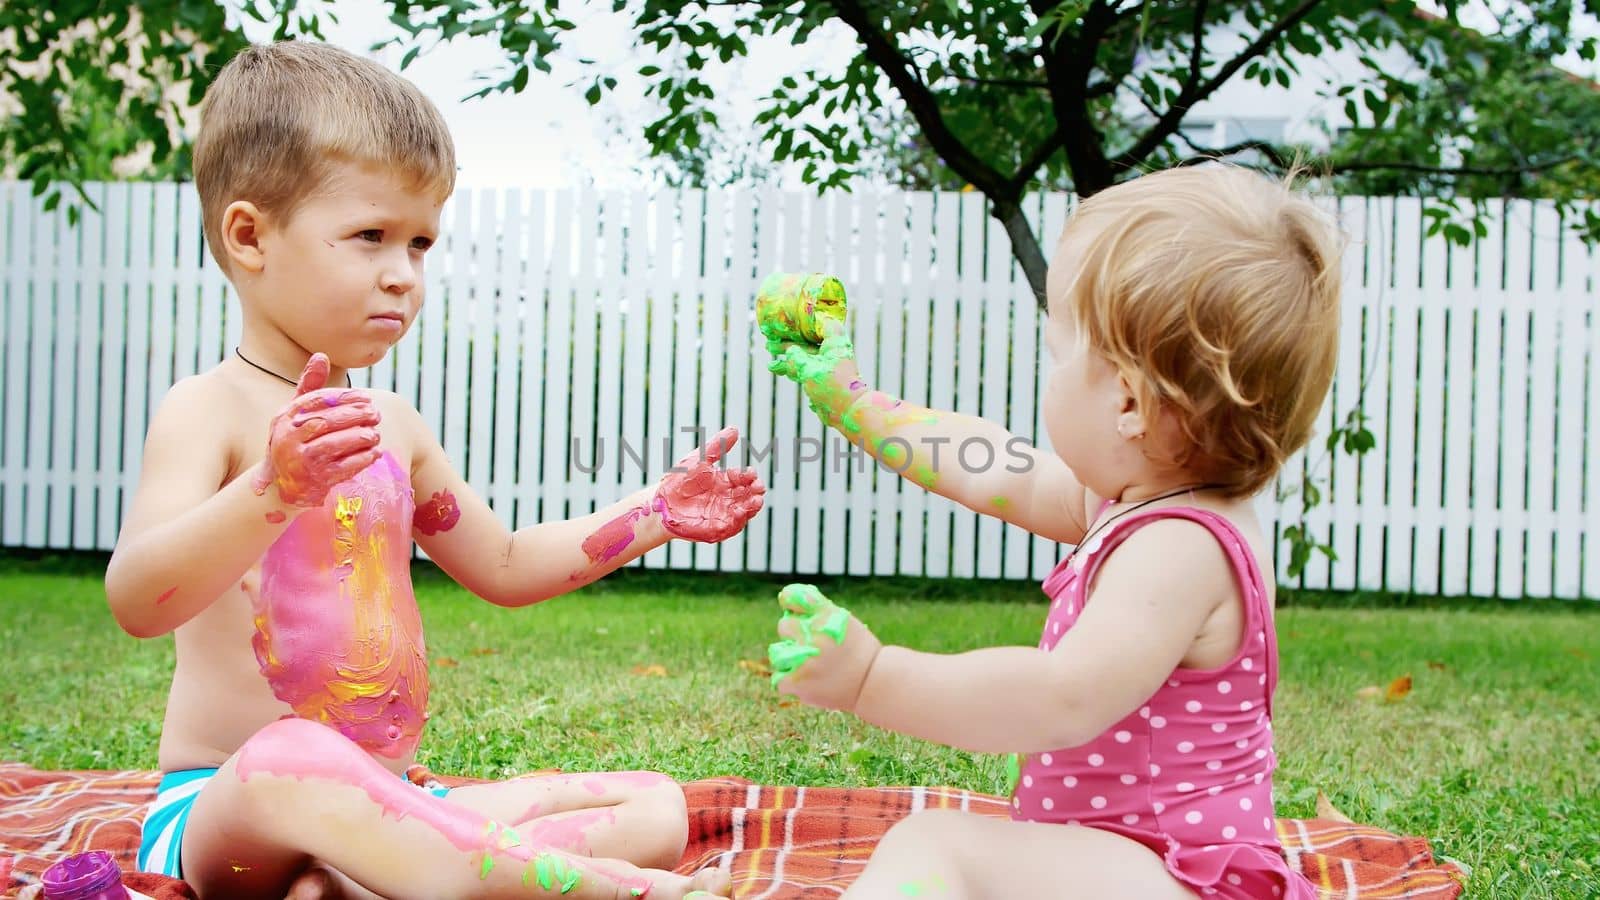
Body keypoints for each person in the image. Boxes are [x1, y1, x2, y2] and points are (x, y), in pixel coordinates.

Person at [104, 40, 759, 900]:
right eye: (371, 236)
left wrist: (655, 512)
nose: (403, 276)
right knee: (294, 756)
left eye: (419, 244)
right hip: (229, 814)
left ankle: (379, 878)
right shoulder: (209, 411)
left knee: (655, 807)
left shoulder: (394, 428)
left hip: (393, 805)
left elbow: (508, 566)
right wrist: (274, 491)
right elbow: (137, 601)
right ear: (250, 235)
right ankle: (597, 888)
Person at [762, 164, 1341, 899]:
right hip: (1120, 861)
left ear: (1128, 401)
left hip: (1180, 876)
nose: (1049, 370)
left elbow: (1061, 699)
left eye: (1057, 351)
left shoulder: (1180, 548)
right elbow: (997, 470)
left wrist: (874, 679)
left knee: (939, 845)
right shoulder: (1133, 499)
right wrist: (854, 402)